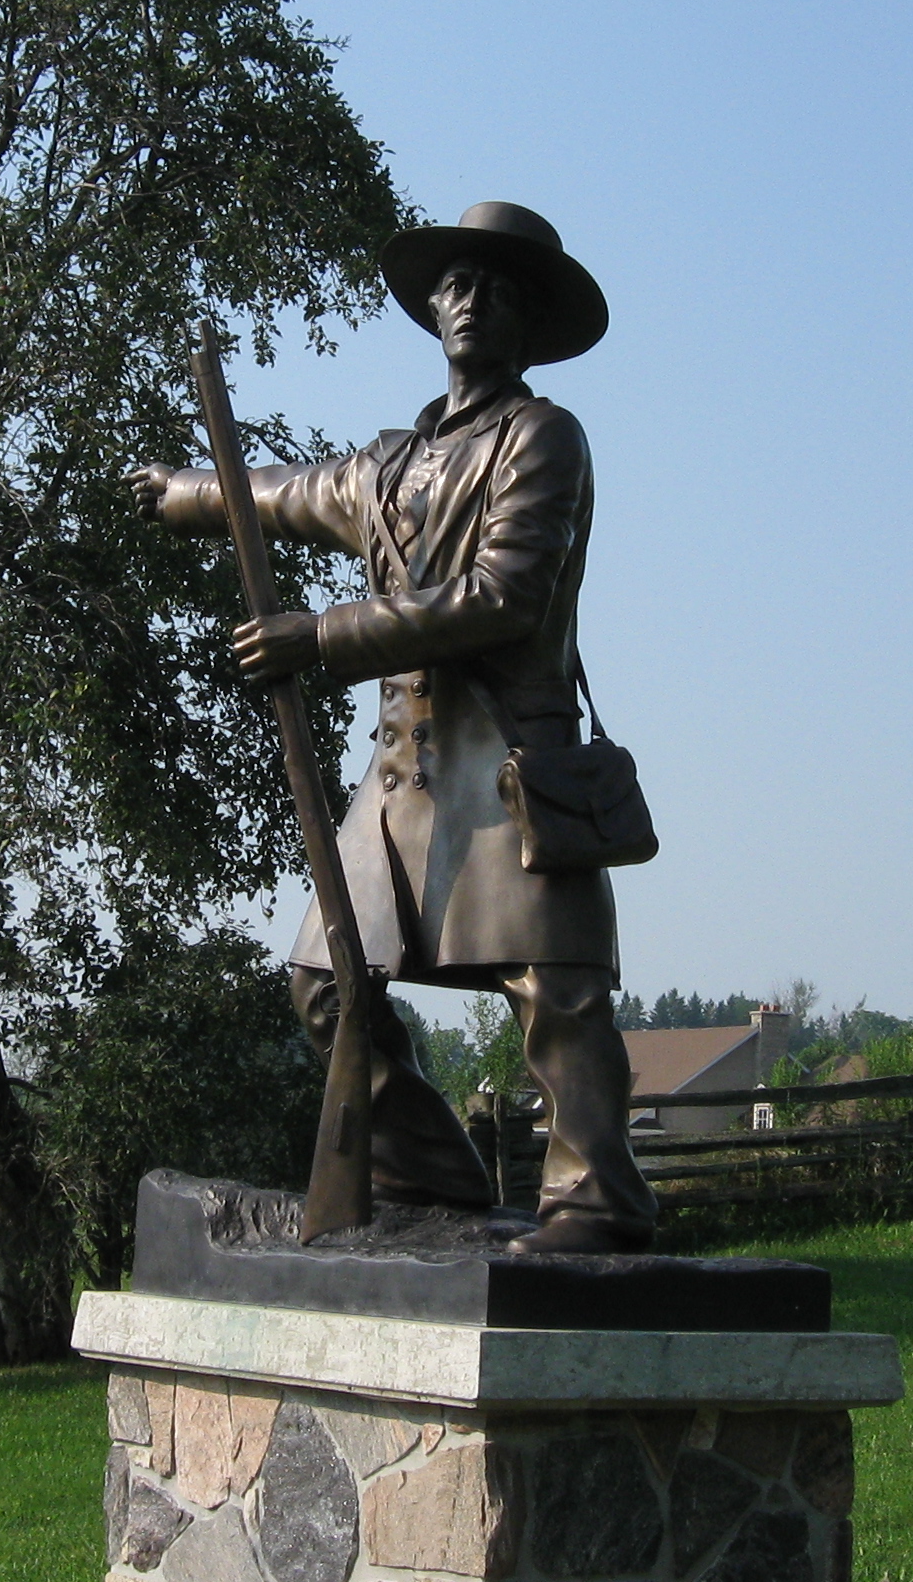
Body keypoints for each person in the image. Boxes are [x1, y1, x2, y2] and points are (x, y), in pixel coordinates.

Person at [138, 201, 660, 1253]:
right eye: (458, 284)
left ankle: (596, 1202)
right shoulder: (388, 463)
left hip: (509, 765)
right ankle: (427, 1170)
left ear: (530, 321)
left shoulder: (542, 438)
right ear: (432, 309)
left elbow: (502, 595)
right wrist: (179, 493)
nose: (473, 301)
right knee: (324, 986)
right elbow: (280, 494)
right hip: (401, 785)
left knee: (556, 995)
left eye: (499, 290)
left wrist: (319, 635)